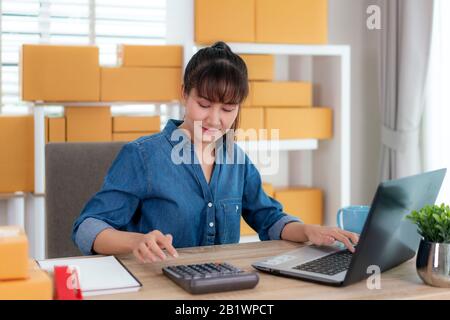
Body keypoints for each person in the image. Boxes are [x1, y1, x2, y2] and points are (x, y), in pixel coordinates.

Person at [72, 41, 359, 263]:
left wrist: (309, 230)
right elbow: (87, 227)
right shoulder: (143, 156)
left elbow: (269, 219)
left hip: (221, 285)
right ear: (184, 93)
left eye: (228, 109)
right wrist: (134, 241)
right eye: (204, 104)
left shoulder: (236, 160)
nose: (214, 120)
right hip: (156, 285)